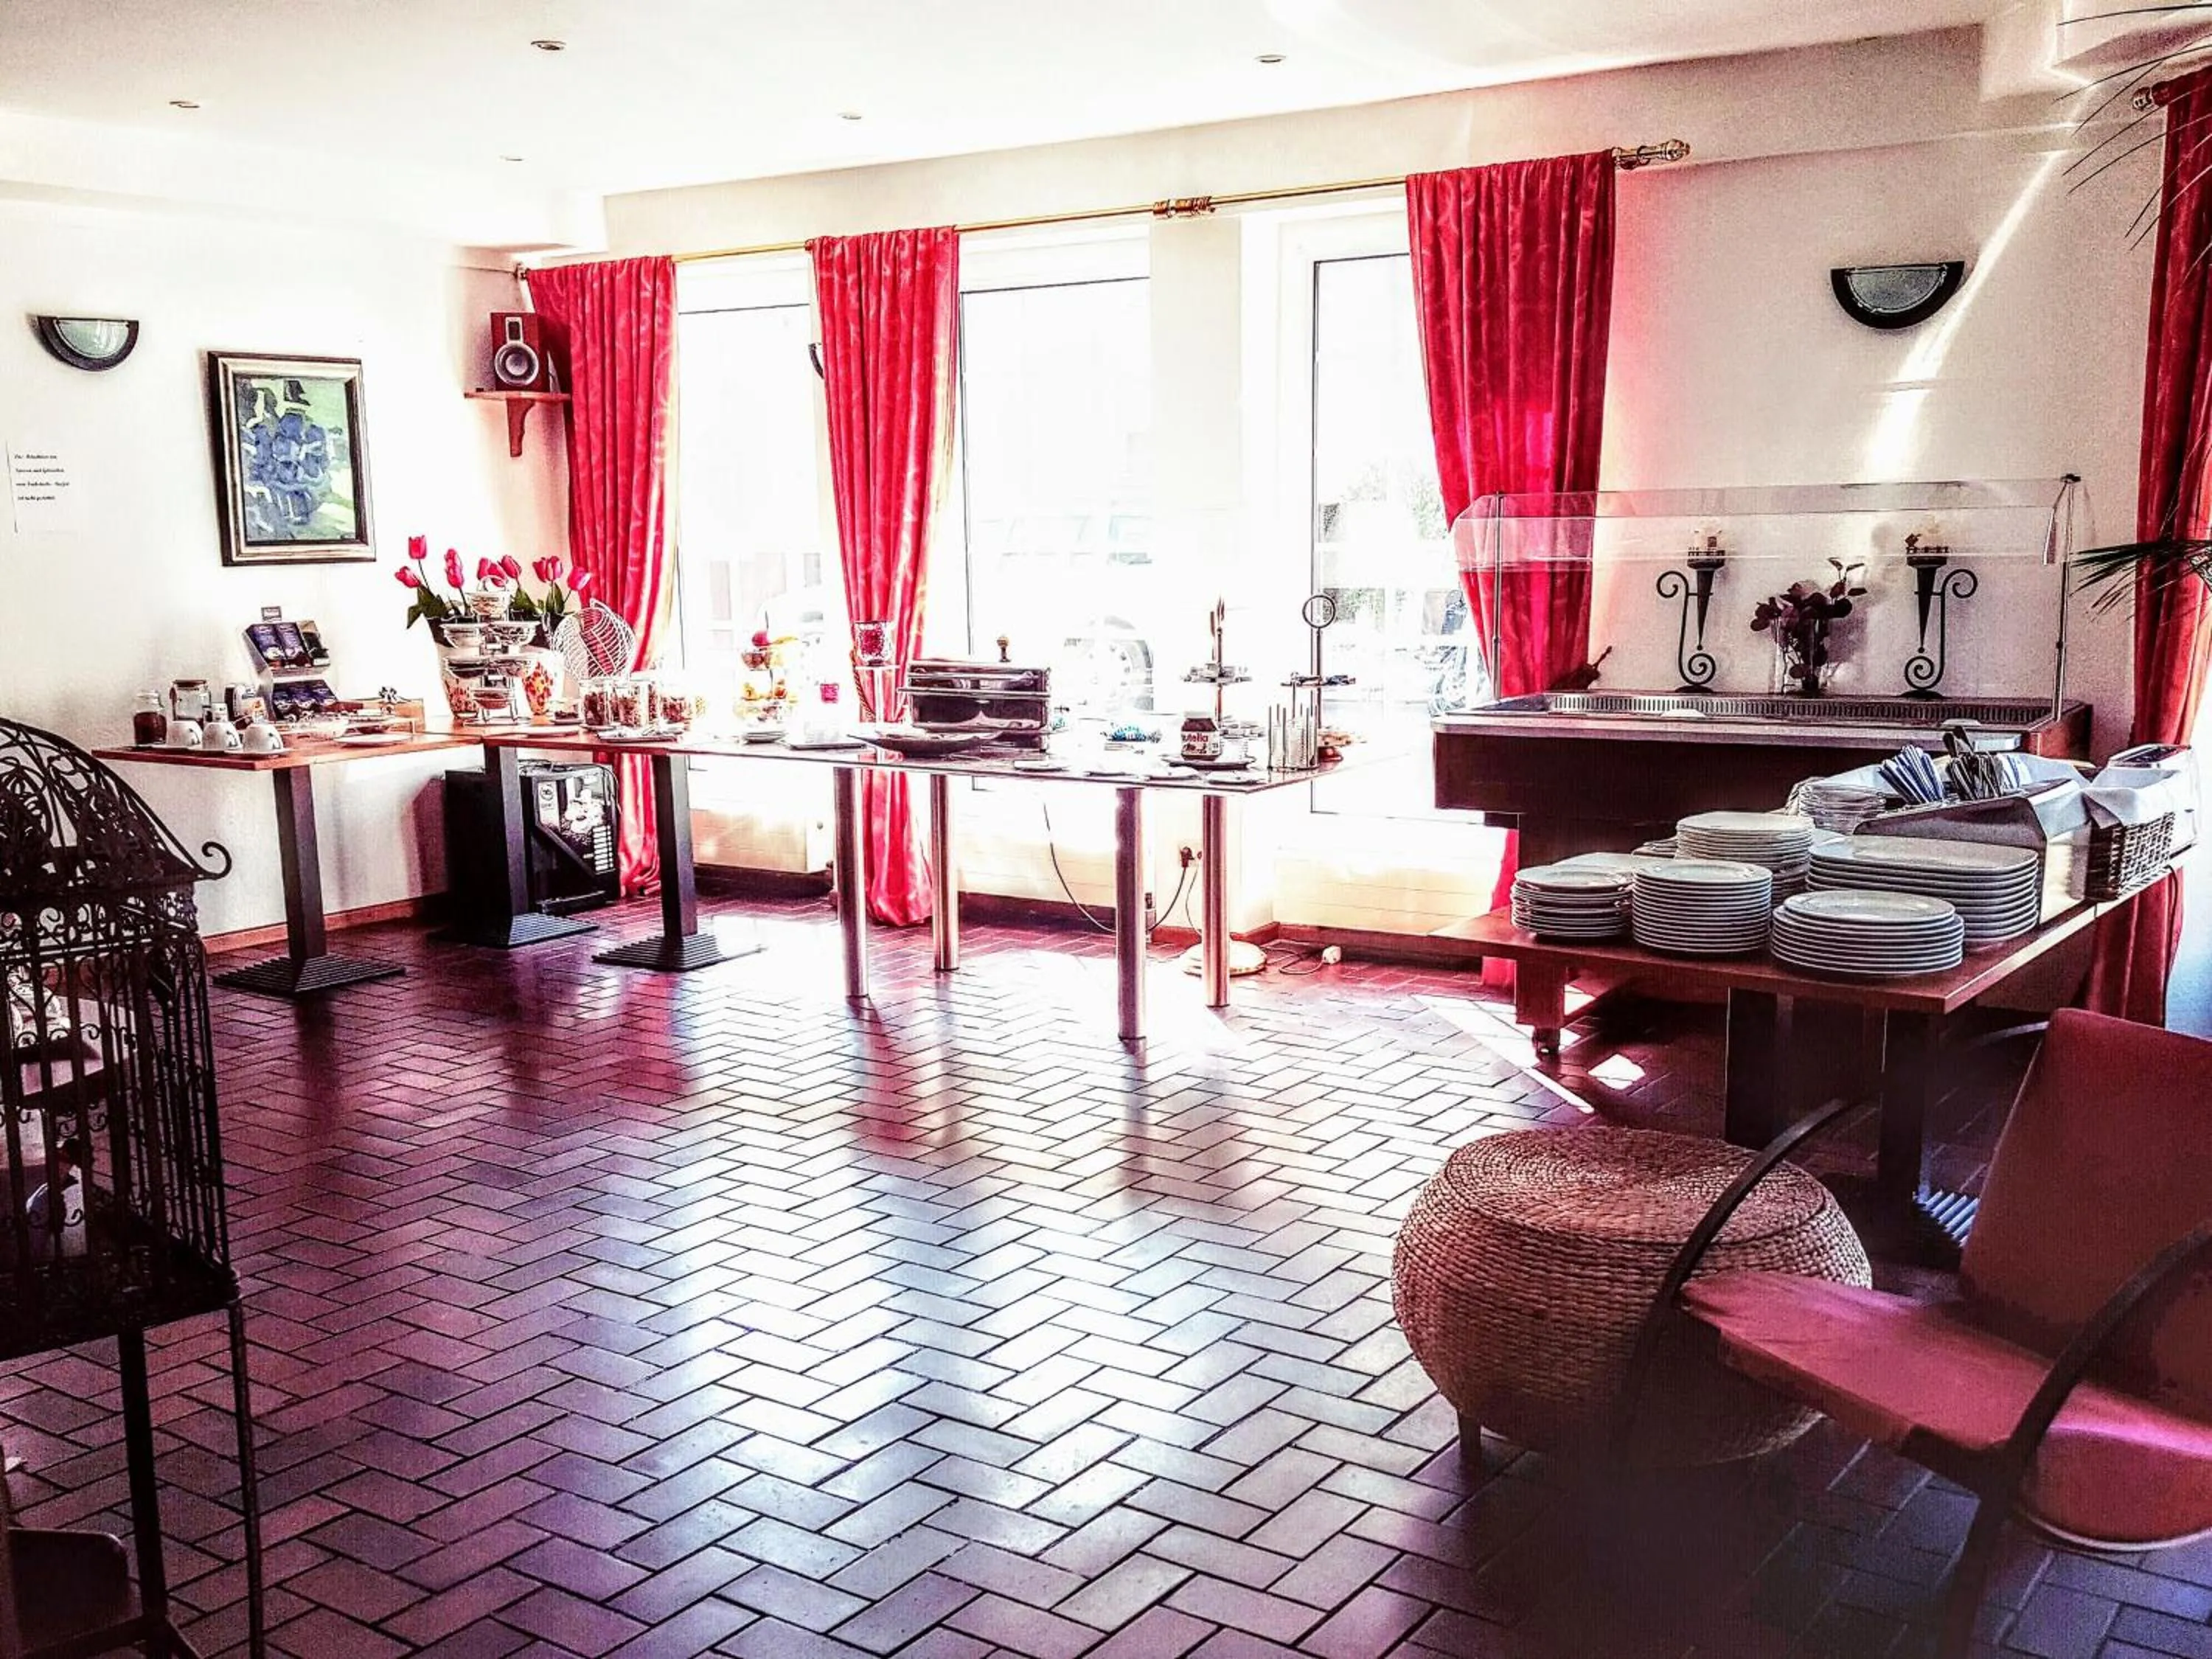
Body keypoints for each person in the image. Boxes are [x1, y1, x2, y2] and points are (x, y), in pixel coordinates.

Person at [26, 1135, 88, 1258]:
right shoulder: (46, 1189)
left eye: (65, 1160)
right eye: (57, 1157)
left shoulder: (72, 1194)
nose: (58, 1164)